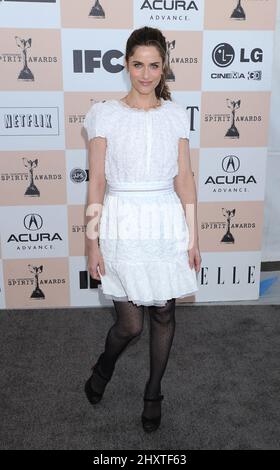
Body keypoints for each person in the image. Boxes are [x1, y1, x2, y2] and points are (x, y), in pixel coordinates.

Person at [83, 26, 201, 433]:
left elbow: (184, 178)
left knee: (165, 312)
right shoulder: (105, 113)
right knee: (130, 324)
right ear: (126, 65)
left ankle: (153, 392)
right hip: (123, 221)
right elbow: (96, 180)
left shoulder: (176, 114)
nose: (146, 74)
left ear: (163, 66)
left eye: (154, 65)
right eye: (138, 65)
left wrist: (193, 236)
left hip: (164, 221)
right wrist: (92, 242)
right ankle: (104, 365)